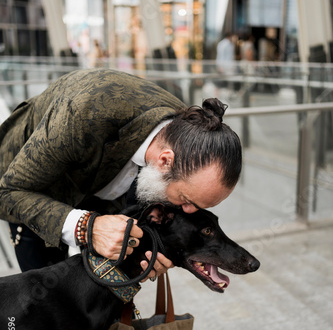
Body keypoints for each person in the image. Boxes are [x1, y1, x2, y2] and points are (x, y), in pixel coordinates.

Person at [0, 69, 242, 280]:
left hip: (95, 190)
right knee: (49, 310)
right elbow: (7, 193)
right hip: (31, 195)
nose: (188, 211)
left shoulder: (182, 134)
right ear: (165, 161)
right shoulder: (82, 113)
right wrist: (87, 227)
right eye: (187, 201)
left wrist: (150, 251)